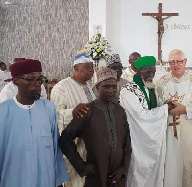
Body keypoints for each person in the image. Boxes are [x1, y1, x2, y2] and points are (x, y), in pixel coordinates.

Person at [0, 59, 68, 187]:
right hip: (14, 179)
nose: (37, 84)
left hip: (46, 179)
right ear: (16, 81)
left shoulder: (48, 108)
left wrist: (58, 181)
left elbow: (55, 148)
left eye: (39, 79)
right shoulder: (3, 112)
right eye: (31, 79)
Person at [59, 67, 132, 187]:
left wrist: (122, 169)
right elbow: (64, 139)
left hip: (117, 177)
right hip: (96, 175)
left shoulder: (120, 111)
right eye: (106, 87)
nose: (111, 91)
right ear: (97, 87)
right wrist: (83, 167)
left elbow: (127, 143)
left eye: (114, 87)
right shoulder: (87, 111)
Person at [156, 49, 192, 187]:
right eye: (172, 62)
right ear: (168, 63)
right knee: (172, 166)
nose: (175, 65)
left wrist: (185, 109)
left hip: (191, 132)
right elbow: (155, 103)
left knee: (191, 165)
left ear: (185, 62)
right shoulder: (161, 83)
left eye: (179, 61)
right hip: (168, 134)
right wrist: (165, 106)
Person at [119, 56, 172, 187]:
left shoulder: (151, 88)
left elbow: (156, 106)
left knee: (154, 174)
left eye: (153, 72)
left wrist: (164, 105)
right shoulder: (128, 90)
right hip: (137, 140)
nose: (152, 75)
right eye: (148, 72)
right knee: (138, 172)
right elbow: (141, 116)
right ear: (139, 72)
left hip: (152, 138)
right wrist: (165, 109)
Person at [51, 49, 96, 187]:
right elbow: (55, 116)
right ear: (75, 68)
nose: (91, 70)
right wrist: (73, 112)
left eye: (92, 67)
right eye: (87, 67)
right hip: (73, 147)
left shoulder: (89, 87)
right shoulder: (61, 88)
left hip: (89, 145)